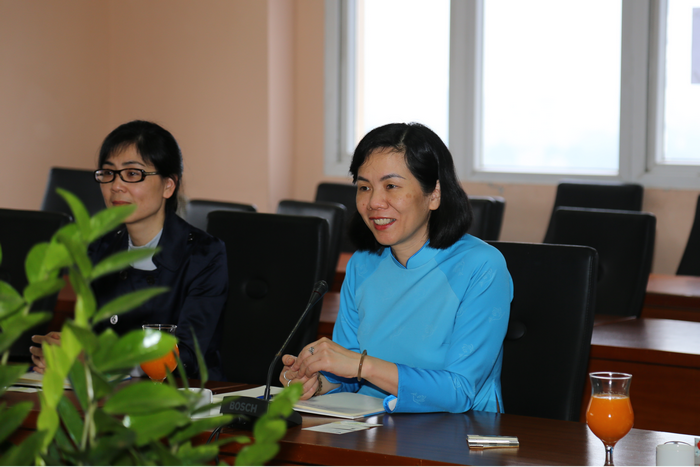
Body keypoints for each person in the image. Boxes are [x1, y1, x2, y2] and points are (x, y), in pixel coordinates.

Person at [280, 122, 513, 414]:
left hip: (458, 432)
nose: (374, 202)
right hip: (371, 426)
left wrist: (362, 366)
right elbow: (349, 370)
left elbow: (460, 391)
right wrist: (318, 380)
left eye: (391, 186)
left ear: (434, 194)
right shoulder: (362, 263)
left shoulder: (482, 266)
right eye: (364, 187)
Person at [30, 120, 228, 381]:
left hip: (185, 396)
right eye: (108, 173)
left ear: (168, 186)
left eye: (133, 174)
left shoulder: (204, 254)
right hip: (108, 393)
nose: (116, 186)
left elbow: (187, 357)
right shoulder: (99, 249)